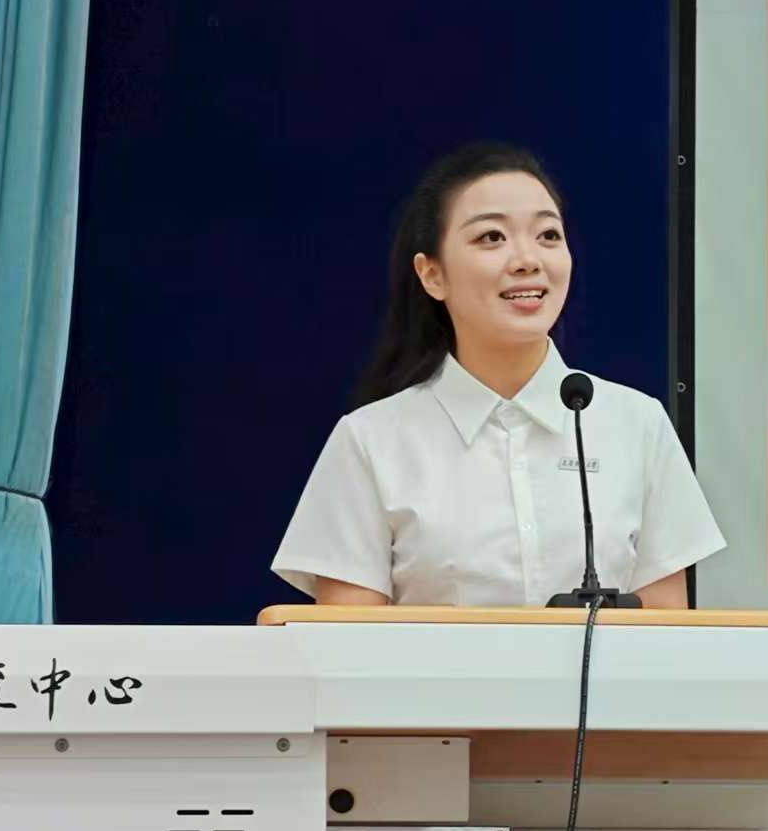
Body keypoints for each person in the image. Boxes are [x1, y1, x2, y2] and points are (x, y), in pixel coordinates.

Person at [271, 142, 725, 607]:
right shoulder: (371, 440)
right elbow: (346, 641)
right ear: (432, 275)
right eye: (492, 237)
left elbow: (667, 632)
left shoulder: (637, 424)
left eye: (548, 235)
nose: (528, 259)